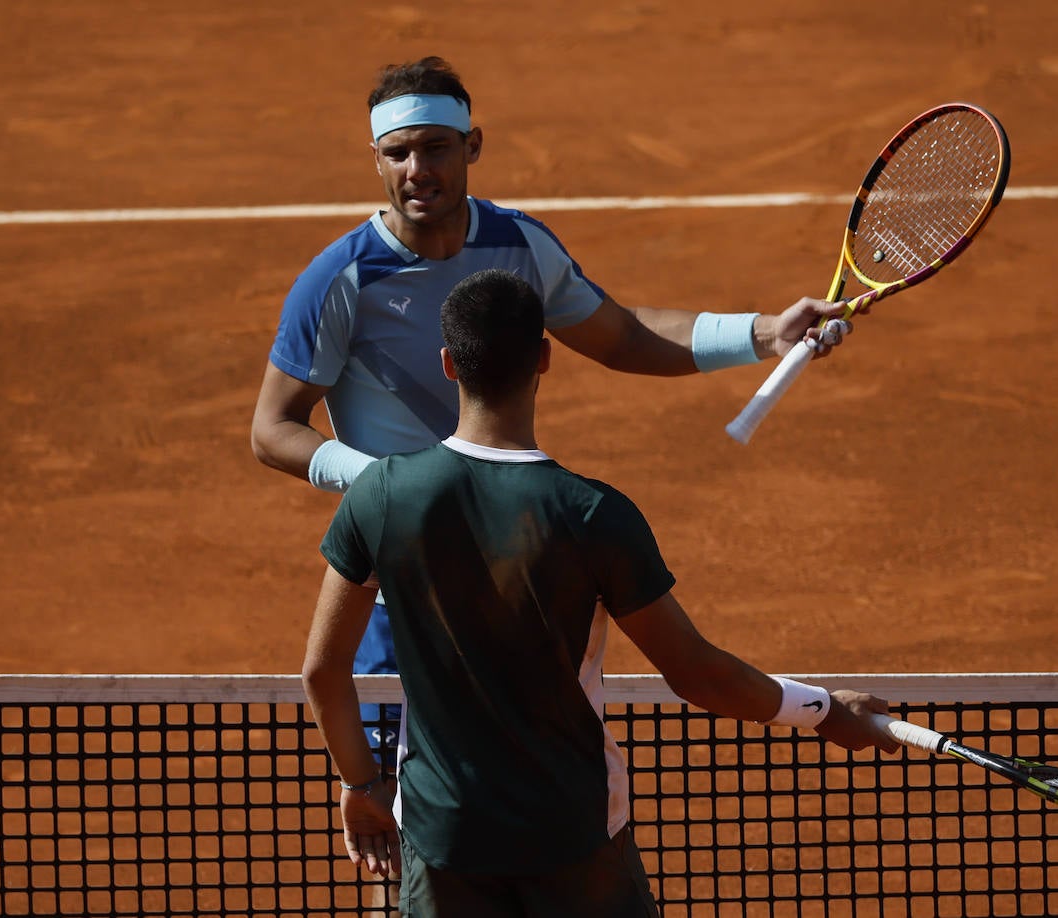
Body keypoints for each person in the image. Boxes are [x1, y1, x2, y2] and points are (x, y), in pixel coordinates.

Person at [254, 55, 856, 773]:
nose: (417, 168)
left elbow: (623, 335)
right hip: (402, 582)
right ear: (377, 158)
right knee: (395, 802)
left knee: (523, 768)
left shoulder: (518, 246)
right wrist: (385, 484)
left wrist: (764, 333)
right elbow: (273, 429)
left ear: (471, 145)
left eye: (436, 147)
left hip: (511, 565)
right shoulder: (342, 279)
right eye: (397, 152)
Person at [301, 268, 896, 917]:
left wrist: (361, 785)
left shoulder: (381, 496)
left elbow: (325, 670)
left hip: (446, 842)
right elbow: (695, 672)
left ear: (448, 363)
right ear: (545, 358)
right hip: (575, 841)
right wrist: (825, 711)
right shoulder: (592, 515)